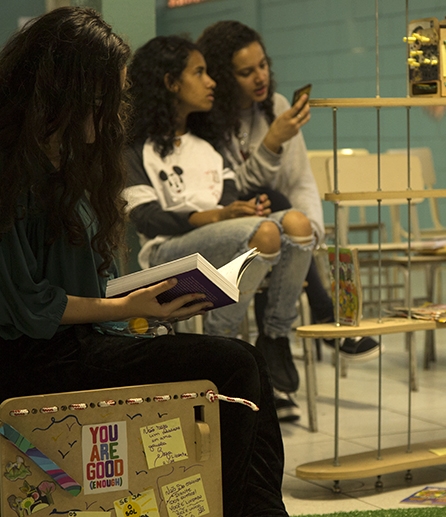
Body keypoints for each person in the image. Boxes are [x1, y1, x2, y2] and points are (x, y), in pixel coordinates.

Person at [0, 8, 288, 517]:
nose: (112, 113)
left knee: (245, 362)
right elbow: (30, 305)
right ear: (64, 92)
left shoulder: (66, 163)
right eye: (102, 100)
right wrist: (128, 307)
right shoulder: (14, 177)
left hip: (79, 342)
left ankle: (260, 509)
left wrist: (144, 301)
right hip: (34, 359)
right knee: (233, 365)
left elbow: (89, 284)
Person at [124, 35, 314, 421]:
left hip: (220, 241)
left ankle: (275, 335)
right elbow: (146, 217)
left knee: (297, 223)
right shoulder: (133, 148)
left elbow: (226, 201)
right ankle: (220, 339)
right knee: (264, 233)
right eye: (199, 72)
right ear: (170, 83)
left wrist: (241, 211)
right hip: (166, 250)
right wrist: (217, 217)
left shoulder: (209, 145)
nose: (211, 81)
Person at [191, 20, 381, 376]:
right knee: (272, 202)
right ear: (225, 77)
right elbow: (229, 192)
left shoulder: (276, 106)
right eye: (246, 72)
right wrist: (272, 143)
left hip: (278, 227)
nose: (260, 77)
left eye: (263, 65)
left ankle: (274, 370)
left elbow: (301, 181)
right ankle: (315, 316)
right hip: (232, 224)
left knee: (282, 217)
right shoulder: (207, 119)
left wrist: (308, 236)